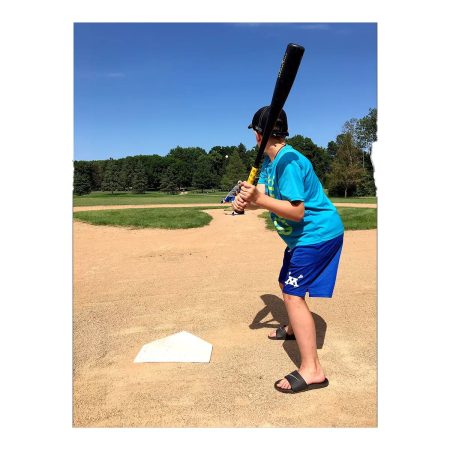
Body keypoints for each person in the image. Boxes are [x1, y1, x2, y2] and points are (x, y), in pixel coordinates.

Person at [233, 106, 344, 394]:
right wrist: (249, 201)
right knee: (284, 283)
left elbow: (296, 212)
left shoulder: (288, 162)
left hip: (316, 234)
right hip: (302, 238)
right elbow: (271, 201)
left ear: (258, 136)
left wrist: (258, 197)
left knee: (292, 295)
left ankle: (313, 370)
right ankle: (294, 329)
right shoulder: (272, 164)